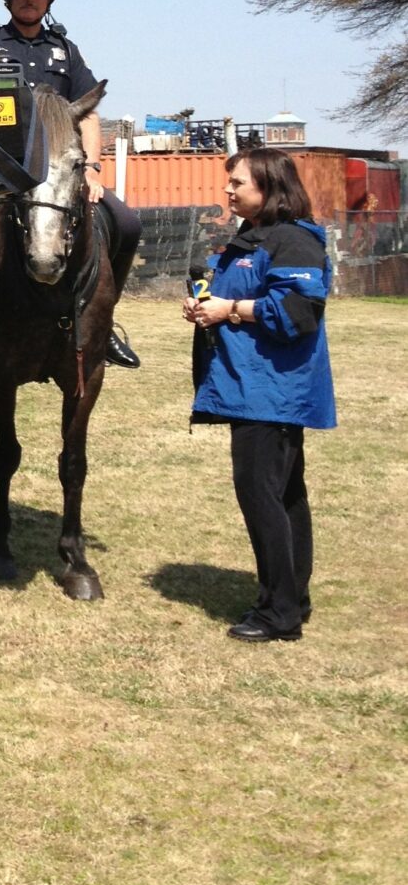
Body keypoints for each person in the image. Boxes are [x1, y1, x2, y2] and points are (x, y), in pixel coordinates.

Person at [183, 147, 335, 643]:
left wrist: (229, 309)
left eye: (238, 183)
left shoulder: (293, 241)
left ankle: (278, 614)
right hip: (249, 388)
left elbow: (298, 313)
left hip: (271, 393)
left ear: (269, 188)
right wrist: (205, 305)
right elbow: (240, 296)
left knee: (262, 496)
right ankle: (292, 599)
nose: (227, 190)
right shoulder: (251, 238)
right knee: (284, 494)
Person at [0, 0, 143, 367]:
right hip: (3, 171)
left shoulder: (65, 50)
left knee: (128, 223)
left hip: (63, 172)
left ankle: (104, 324)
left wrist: (93, 170)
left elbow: (89, 114)